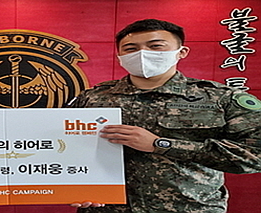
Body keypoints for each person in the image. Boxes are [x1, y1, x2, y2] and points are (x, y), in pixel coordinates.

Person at [69, 18, 261, 213]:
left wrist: (161, 144)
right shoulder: (93, 98)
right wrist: (73, 188)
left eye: (155, 46)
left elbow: (256, 156)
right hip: (106, 208)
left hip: (190, 209)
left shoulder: (220, 98)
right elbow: (69, 148)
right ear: (119, 56)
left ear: (181, 52)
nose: (142, 53)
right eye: (131, 48)